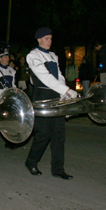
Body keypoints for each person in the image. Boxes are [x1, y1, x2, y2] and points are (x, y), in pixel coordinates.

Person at [25, 27, 77, 180]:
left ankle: (58, 168)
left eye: (51, 38)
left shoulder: (53, 56)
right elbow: (45, 77)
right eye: (46, 38)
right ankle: (31, 161)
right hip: (42, 96)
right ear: (39, 39)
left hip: (56, 95)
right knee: (43, 134)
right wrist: (67, 90)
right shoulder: (33, 55)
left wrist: (64, 94)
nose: (49, 41)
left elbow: (59, 77)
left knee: (59, 135)